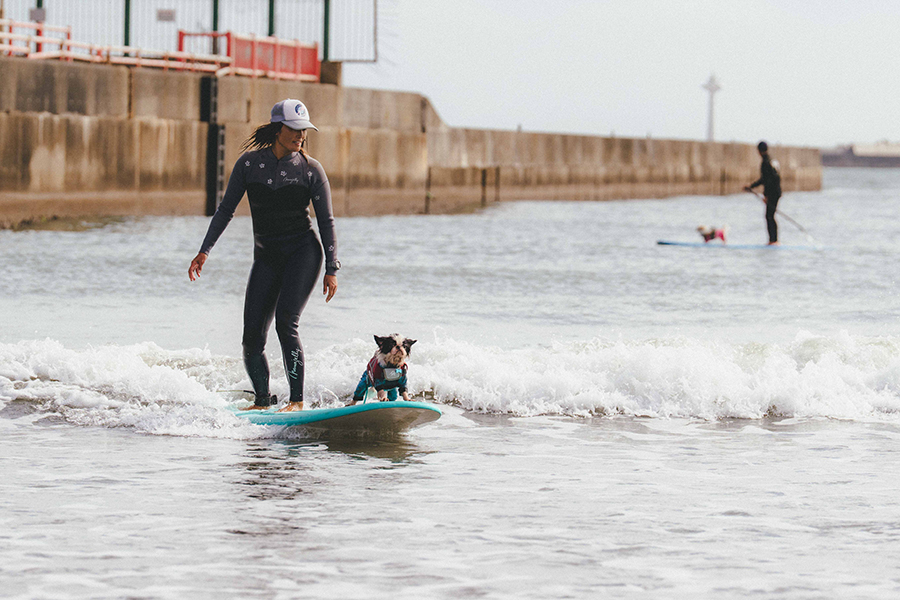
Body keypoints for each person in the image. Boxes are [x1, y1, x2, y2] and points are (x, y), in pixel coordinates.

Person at [188, 99, 340, 412]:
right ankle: (262, 401)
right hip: (266, 257)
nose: (300, 136)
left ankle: (297, 401)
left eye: (304, 130)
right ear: (277, 129)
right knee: (251, 338)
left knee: (286, 323)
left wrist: (332, 267)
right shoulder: (248, 165)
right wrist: (204, 250)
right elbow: (226, 210)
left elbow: (326, 221)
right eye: (294, 129)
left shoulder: (311, 170)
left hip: (303, 252)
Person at [744, 140, 782, 245]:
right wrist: (751, 186)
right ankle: (774, 240)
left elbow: (766, 180)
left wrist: (766, 195)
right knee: (771, 215)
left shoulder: (765, 163)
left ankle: (773, 240)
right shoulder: (772, 161)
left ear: (759, 151)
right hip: (777, 191)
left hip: (773, 192)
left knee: (769, 216)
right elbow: (772, 179)